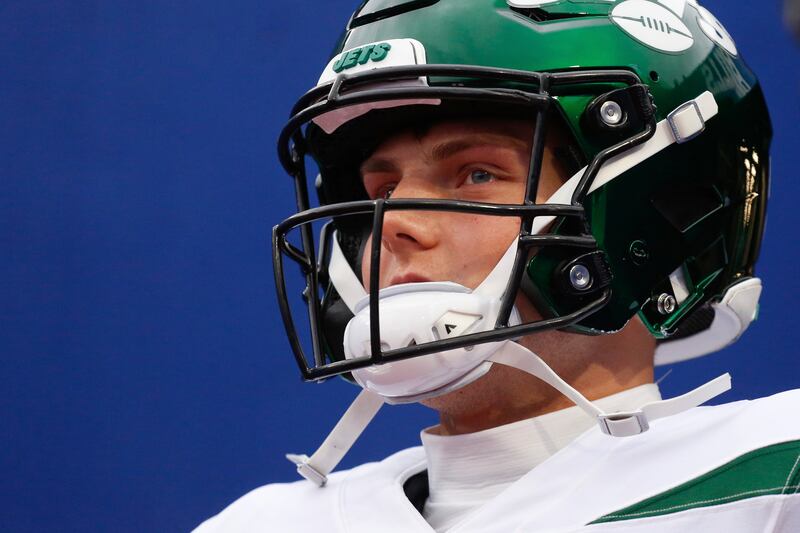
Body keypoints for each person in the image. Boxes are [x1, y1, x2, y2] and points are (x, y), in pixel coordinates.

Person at [196, 0, 800, 531]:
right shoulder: (261, 523)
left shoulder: (776, 470)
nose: (393, 225)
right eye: (377, 194)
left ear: (650, 215)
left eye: (477, 175)